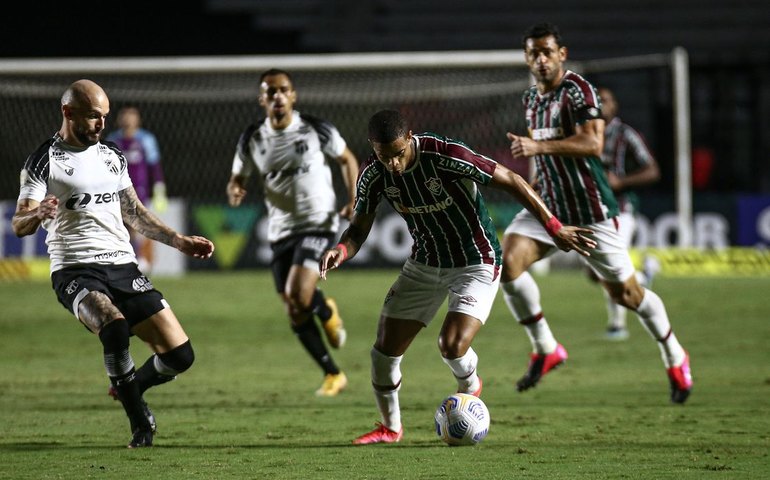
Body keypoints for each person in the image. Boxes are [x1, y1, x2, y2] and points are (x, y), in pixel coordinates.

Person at [319, 109, 596, 444]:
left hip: (476, 261)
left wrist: (554, 227)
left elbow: (512, 180)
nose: (392, 163)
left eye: (398, 154)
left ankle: (470, 386)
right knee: (382, 355)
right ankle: (390, 428)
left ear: (410, 139)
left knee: (451, 345)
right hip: (424, 263)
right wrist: (341, 250)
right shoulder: (373, 174)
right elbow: (358, 229)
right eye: (383, 156)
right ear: (372, 148)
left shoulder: (446, 154)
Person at [12, 79, 215, 448]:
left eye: (104, 116)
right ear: (68, 112)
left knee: (180, 356)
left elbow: (134, 212)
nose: (101, 124)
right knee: (114, 328)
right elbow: (18, 223)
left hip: (123, 266)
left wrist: (178, 240)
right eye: (93, 116)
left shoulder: (112, 155)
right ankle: (140, 422)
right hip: (75, 269)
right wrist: (37, 213)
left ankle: (130, 387)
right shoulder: (44, 160)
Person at [500, 23, 692, 404]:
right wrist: (535, 185)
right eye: (533, 53)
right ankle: (546, 347)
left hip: (590, 210)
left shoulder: (579, 91)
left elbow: (592, 143)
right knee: (507, 263)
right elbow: (547, 156)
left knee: (628, 294)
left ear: (562, 54)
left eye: (547, 52)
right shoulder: (531, 99)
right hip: (550, 203)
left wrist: (538, 149)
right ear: (526, 58)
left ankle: (675, 355)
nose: (541, 59)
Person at [226, 68, 359, 397]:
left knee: (299, 294)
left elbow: (347, 159)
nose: (278, 96)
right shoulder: (252, 138)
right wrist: (235, 189)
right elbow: (237, 177)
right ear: (262, 99)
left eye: (283, 89)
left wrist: (353, 199)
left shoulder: (315, 129)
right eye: (270, 91)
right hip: (280, 230)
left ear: (293, 95)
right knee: (294, 309)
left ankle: (325, 310)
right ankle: (333, 373)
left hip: (319, 222)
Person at [593, 86, 661, 340]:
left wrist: (621, 182)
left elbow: (652, 170)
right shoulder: (582, 133)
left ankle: (617, 325)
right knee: (595, 271)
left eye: (606, 100)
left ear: (615, 105)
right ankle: (643, 276)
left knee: (610, 268)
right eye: (597, 100)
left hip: (620, 210)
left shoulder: (625, 134)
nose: (600, 104)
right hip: (590, 211)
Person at [106, 105, 167, 273]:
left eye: (131, 116)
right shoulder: (113, 140)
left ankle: (139, 257)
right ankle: (129, 257)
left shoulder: (146, 139)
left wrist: (159, 187)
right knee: (120, 223)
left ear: (137, 120)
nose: (127, 119)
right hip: (115, 189)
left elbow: (154, 165)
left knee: (133, 221)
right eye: (124, 116)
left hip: (138, 188)